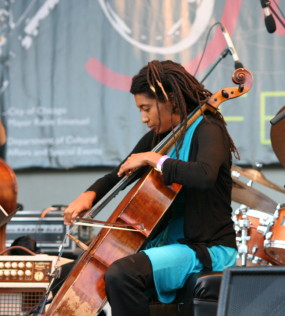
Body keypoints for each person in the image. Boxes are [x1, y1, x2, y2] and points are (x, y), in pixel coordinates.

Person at [63, 60, 239, 315]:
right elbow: (120, 173)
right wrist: (88, 195)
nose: (144, 118)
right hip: (168, 245)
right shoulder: (160, 137)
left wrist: (155, 159)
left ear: (170, 100)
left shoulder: (209, 128)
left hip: (206, 249)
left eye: (146, 108)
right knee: (76, 273)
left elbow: (204, 175)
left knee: (122, 275)